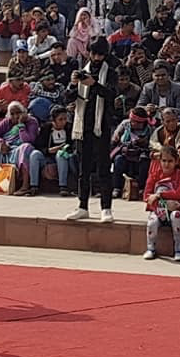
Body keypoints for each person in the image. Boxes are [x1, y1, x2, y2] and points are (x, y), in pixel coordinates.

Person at [65, 38, 118, 223]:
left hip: (101, 126)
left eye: (100, 54)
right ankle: (82, 206)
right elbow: (68, 97)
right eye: (93, 53)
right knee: (83, 170)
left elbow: (111, 94)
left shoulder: (111, 72)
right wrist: (73, 84)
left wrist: (94, 84)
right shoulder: (83, 70)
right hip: (82, 127)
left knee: (103, 169)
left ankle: (106, 208)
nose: (96, 58)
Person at [0, 101, 40, 194]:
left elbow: (28, 140)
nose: (16, 116)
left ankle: (25, 185)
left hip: (20, 150)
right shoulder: (7, 121)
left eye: (18, 113)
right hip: (7, 150)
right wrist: (1, 142)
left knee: (26, 147)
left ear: (24, 113)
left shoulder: (31, 121)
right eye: (12, 114)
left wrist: (21, 125)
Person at [142, 146, 180, 261]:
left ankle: (179, 249)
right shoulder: (154, 175)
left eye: (170, 161)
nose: (167, 164)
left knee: (176, 217)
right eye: (164, 161)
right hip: (157, 210)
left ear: (176, 161)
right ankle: (150, 248)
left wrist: (159, 195)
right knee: (152, 222)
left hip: (174, 209)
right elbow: (146, 195)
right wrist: (158, 202)